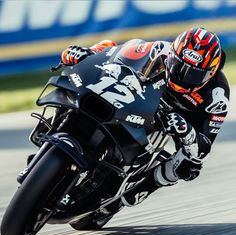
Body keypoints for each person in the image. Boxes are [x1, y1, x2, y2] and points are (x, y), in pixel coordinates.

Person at [61, 27, 230, 208]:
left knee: (187, 167)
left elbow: (204, 147)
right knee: (78, 88)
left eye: (195, 74)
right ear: (172, 53)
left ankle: (146, 187)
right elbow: (112, 51)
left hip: (174, 122)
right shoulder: (157, 50)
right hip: (137, 103)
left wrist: (185, 130)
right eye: (178, 65)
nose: (183, 76)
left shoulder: (217, 94)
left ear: (211, 72)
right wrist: (88, 52)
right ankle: (59, 126)